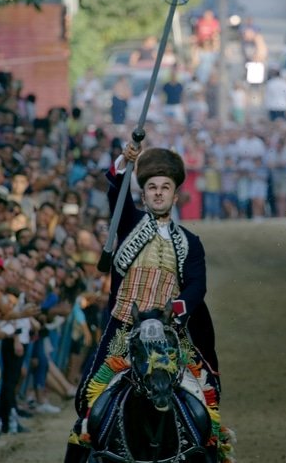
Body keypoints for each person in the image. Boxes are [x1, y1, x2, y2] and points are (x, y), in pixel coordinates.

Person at [65, 144, 227, 463]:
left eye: (165, 188)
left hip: (170, 335)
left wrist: (175, 310)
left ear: (174, 195)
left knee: (204, 397)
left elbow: (197, 286)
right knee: (89, 400)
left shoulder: (190, 243)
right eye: (151, 187)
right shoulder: (128, 223)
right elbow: (118, 190)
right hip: (125, 328)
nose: (157, 193)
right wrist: (125, 160)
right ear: (144, 195)